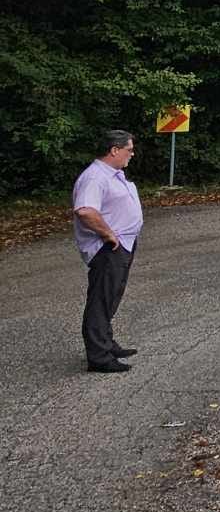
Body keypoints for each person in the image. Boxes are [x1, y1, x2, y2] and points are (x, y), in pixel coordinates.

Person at [72, 129, 144, 374]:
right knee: (101, 300)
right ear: (114, 150)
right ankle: (99, 357)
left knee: (111, 296)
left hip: (122, 245)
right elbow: (85, 210)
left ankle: (106, 342)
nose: (132, 154)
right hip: (108, 248)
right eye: (129, 150)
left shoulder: (112, 174)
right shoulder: (95, 177)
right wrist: (108, 234)